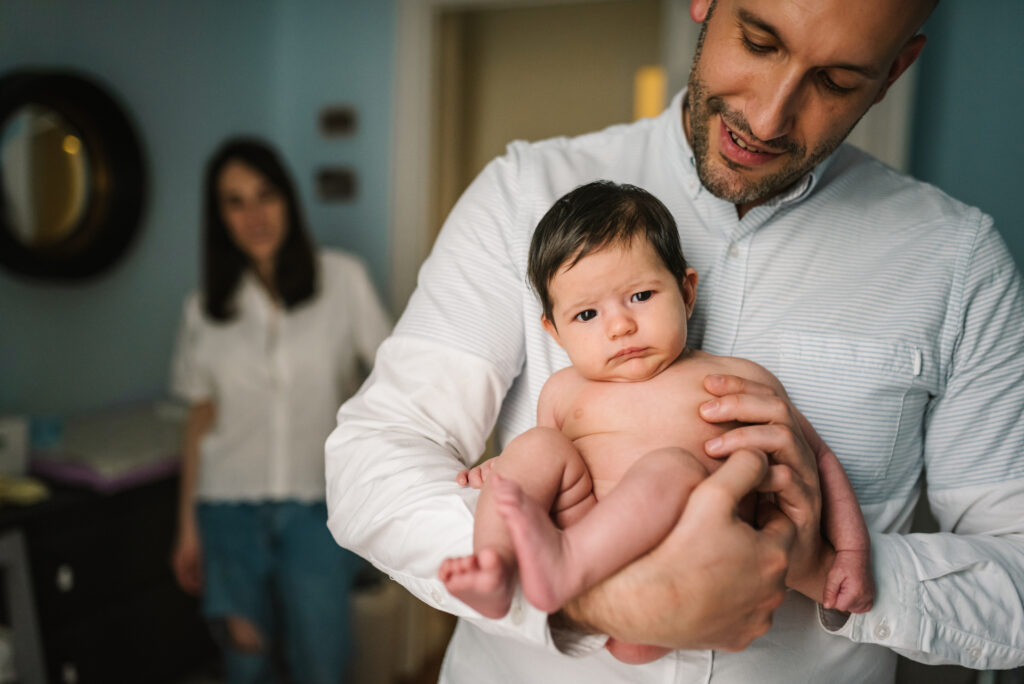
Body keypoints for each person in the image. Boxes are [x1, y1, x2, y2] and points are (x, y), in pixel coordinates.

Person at [325, 0, 1024, 681]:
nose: (769, 115)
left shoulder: (958, 262)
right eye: (759, 40)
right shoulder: (521, 195)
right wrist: (600, 596)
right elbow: (375, 454)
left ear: (896, 70)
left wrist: (826, 564)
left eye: (836, 81)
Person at [438, 181, 873, 664]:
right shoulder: (563, 391)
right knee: (536, 447)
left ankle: (565, 564)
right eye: (586, 314)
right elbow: (550, 473)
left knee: (673, 467)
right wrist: (504, 466)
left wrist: (850, 555)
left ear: (686, 292)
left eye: (641, 295)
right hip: (594, 549)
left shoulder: (735, 378)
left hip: (690, 567)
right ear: (554, 331)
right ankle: (495, 567)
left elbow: (820, 457)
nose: (619, 325)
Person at [170, 137, 391, 684]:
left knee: (322, 664)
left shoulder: (343, 279)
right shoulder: (205, 306)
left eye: (265, 194)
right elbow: (200, 419)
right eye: (234, 201)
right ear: (218, 216)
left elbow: (393, 383)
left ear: (288, 198)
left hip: (316, 510)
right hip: (226, 513)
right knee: (246, 667)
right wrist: (186, 528)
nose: (253, 214)